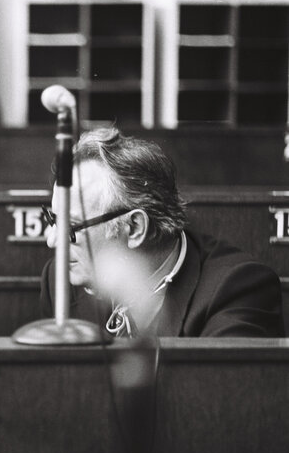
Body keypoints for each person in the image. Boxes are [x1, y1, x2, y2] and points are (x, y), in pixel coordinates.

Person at [40, 127, 284, 338]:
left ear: (135, 228)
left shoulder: (237, 291)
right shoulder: (60, 281)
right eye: (52, 219)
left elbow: (217, 391)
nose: (51, 240)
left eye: (70, 227)